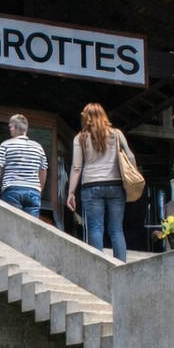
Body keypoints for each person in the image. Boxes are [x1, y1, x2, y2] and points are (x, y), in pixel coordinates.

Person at [65, 103, 134, 261]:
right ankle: (121, 267)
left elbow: (76, 168)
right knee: (117, 229)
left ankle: (99, 267)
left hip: (91, 186)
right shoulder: (116, 134)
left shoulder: (80, 138)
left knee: (95, 228)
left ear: (85, 118)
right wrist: (132, 178)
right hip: (116, 185)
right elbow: (130, 156)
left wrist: (71, 193)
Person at [0, 114, 48, 216]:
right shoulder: (38, 147)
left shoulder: (6, 145)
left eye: (10, 127)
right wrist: (39, 189)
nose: (10, 130)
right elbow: (43, 170)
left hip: (12, 190)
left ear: (14, 127)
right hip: (33, 192)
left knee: (11, 228)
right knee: (32, 228)